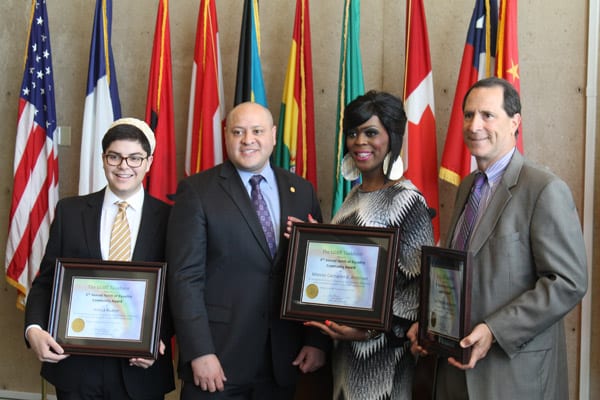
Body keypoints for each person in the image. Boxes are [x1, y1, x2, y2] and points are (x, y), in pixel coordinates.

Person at [408, 77, 588, 399]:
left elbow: (568, 282)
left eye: (487, 115)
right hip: (454, 368)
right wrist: (430, 322)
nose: (474, 125)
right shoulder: (467, 187)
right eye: (468, 115)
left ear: (515, 122)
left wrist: (495, 330)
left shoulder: (544, 189)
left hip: (512, 376)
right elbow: (458, 272)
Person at [166, 102, 330, 400]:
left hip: (284, 357)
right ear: (226, 134)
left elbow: (315, 270)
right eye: (238, 131)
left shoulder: (301, 190)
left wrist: (316, 339)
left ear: (273, 135)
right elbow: (184, 278)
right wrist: (199, 351)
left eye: (257, 131)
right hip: (218, 359)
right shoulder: (197, 191)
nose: (248, 140)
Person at [24, 118, 175, 399]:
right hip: (76, 368)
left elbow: (179, 290)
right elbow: (46, 282)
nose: (124, 166)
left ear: (149, 162)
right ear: (103, 159)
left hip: (141, 371)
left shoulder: (171, 219)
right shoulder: (70, 212)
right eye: (114, 157)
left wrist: (157, 338)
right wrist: (33, 329)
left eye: (134, 158)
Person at [298, 90, 434, 400]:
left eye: (371, 132)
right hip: (344, 355)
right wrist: (310, 245)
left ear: (392, 137)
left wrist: (369, 330)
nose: (360, 141)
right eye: (353, 133)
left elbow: (416, 292)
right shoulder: (352, 197)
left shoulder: (407, 201)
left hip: (385, 362)